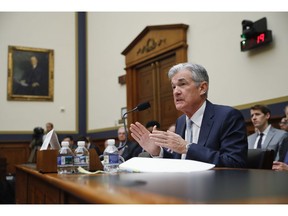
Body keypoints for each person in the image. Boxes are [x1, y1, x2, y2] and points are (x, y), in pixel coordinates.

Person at [130, 62, 248, 168]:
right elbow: (180, 162)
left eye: (182, 84)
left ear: (202, 88)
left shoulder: (227, 117)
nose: (176, 91)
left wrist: (187, 148)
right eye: (173, 87)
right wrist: (157, 151)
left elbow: (235, 163)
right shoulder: (181, 121)